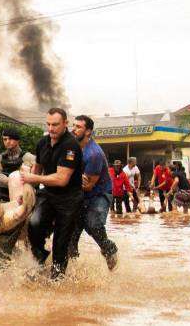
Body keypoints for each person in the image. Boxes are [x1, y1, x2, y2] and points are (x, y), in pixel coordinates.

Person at [20, 107, 84, 280]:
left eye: (55, 124)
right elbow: (38, 168)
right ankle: (40, 256)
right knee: (34, 224)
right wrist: (27, 189)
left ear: (65, 124)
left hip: (69, 199)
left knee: (61, 243)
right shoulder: (43, 143)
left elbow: (62, 179)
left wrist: (33, 176)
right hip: (48, 194)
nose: (51, 128)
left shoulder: (71, 146)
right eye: (48, 124)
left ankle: (57, 281)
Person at [68, 115, 118, 270]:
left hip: (99, 193)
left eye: (78, 127)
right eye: (73, 125)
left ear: (88, 131)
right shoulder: (71, 147)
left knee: (93, 225)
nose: (73, 129)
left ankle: (109, 249)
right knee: (71, 232)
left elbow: (88, 186)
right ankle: (71, 269)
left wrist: (70, 178)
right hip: (78, 192)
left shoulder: (94, 154)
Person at [0, 128, 33, 268]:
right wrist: (13, 181)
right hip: (5, 201)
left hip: (25, 200)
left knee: (30, 228)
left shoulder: (29, 157)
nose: (7, 142)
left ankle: (32, 259)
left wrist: (20, 182)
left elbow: (36, 173)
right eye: (5, 139)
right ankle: (5, 258)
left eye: (10, 139)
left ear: (17, 140)